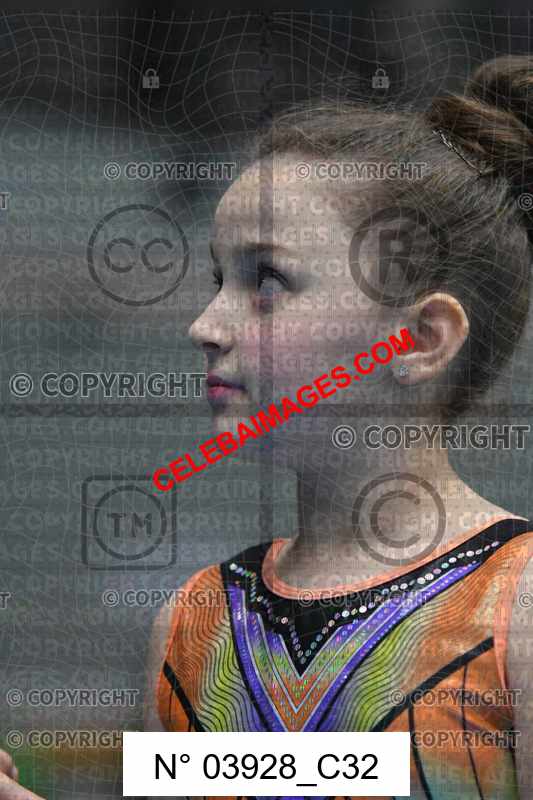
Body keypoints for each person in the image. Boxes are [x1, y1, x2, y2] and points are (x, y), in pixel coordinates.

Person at [3, 55, 533, 800]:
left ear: (419, 340)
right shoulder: (194, 618)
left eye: (268, 281)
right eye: (218, 280)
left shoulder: (515, 604)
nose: (204, 324)